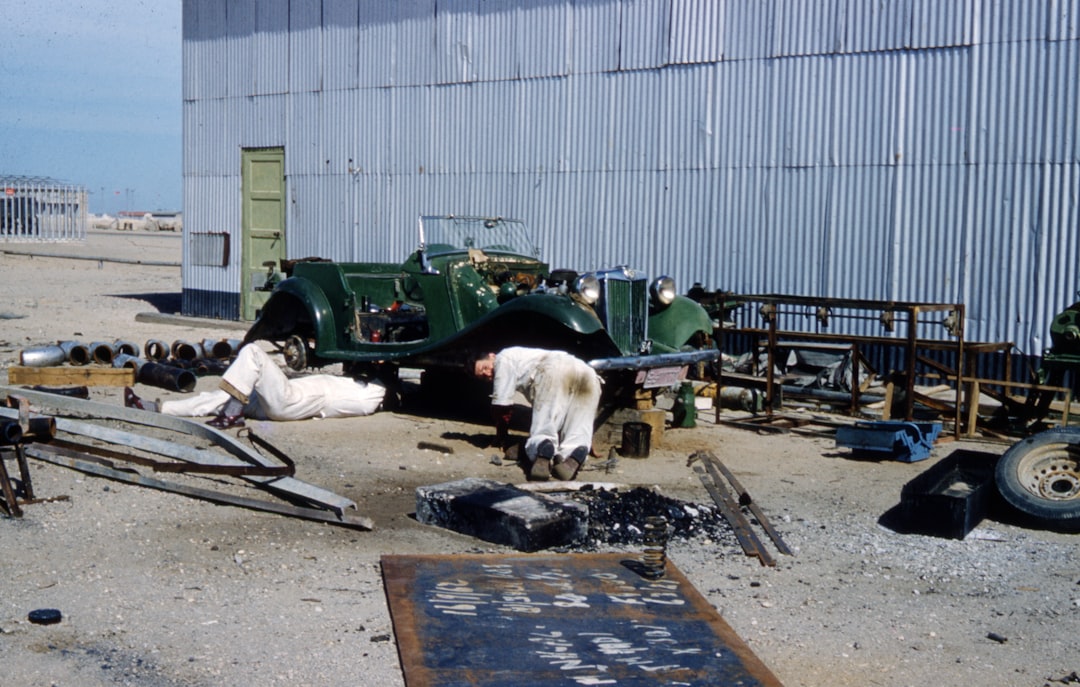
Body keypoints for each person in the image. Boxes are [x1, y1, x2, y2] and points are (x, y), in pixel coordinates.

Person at [125, 344, 386, 428]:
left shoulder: (372, 395)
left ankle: (232, 413)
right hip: (282, 401)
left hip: (294, 400)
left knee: (252, 352)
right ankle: (154, 408)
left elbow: (373, 392)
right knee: (217, 397)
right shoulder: (366, 387)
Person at [472, 346, 602, 481]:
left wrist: (501, 436)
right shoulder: (523, 355)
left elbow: (501, 406)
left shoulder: (502, 359)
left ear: (491, 356)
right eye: (483, 377)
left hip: (555, 370)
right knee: (579, 431)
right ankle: (576, 453)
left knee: (545, 427)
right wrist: (587, 437)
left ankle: (542, 450)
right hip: (588, 373)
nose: (487, 374)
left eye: (484, 368)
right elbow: (580, 418)